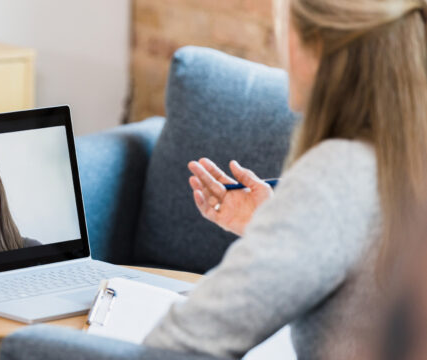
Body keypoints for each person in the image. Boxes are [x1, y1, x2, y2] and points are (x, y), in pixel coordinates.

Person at [143, 0, 427, 359]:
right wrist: (281, 222)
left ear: (314, 45)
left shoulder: (337, 174)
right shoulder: (402, 157)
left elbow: (180, 342)